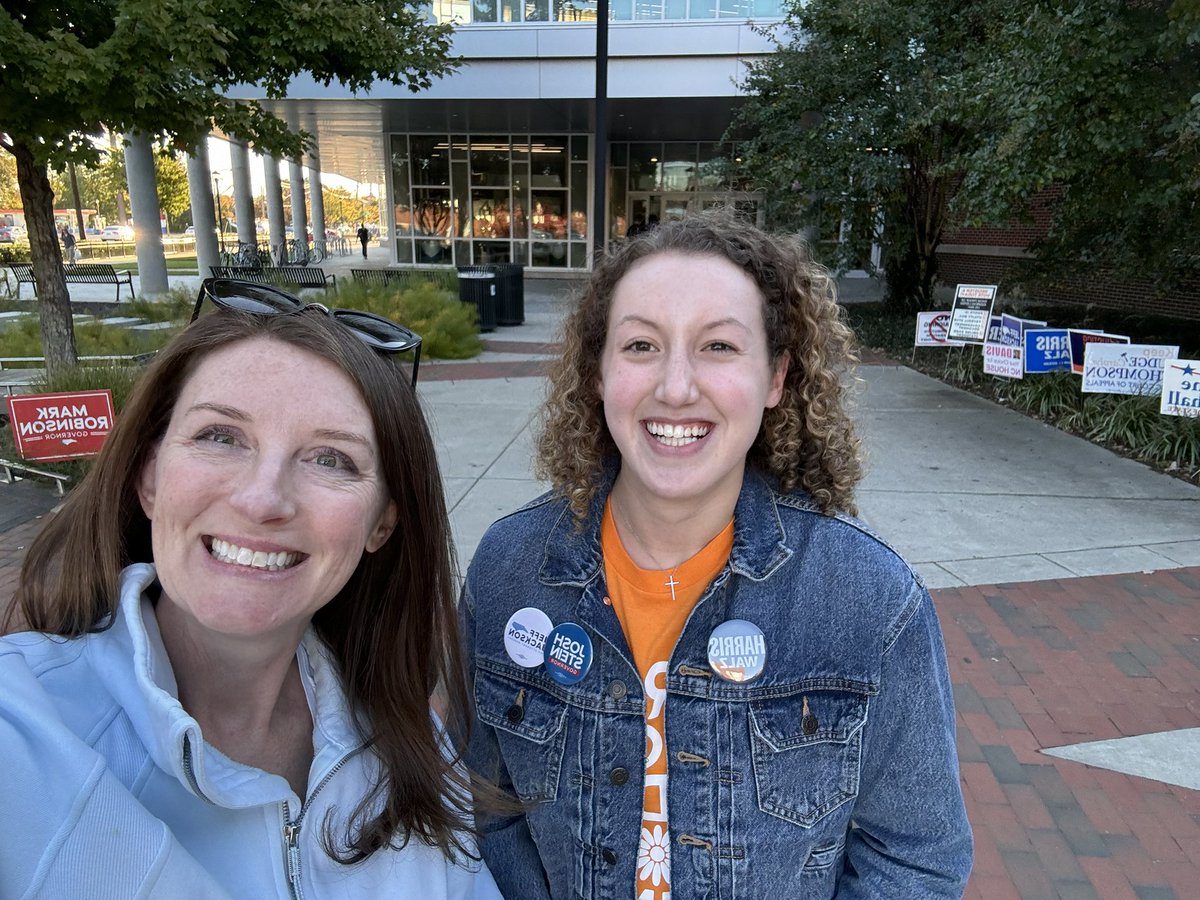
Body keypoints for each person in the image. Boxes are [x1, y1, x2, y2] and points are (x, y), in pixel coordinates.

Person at [460, 214, 972, 898]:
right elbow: (483, 810)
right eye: (641, 345)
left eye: (719, 346)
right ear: (599, 372)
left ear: (776, 376)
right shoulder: (509, 570)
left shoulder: (869, 600)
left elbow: (915, 858)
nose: (676, 387)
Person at [0, 279, 500, 898]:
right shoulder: (23, 729)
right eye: (220, 436)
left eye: (330, 459)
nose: (263, 500)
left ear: (382, 523)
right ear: (149, 476)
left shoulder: (412, 743)